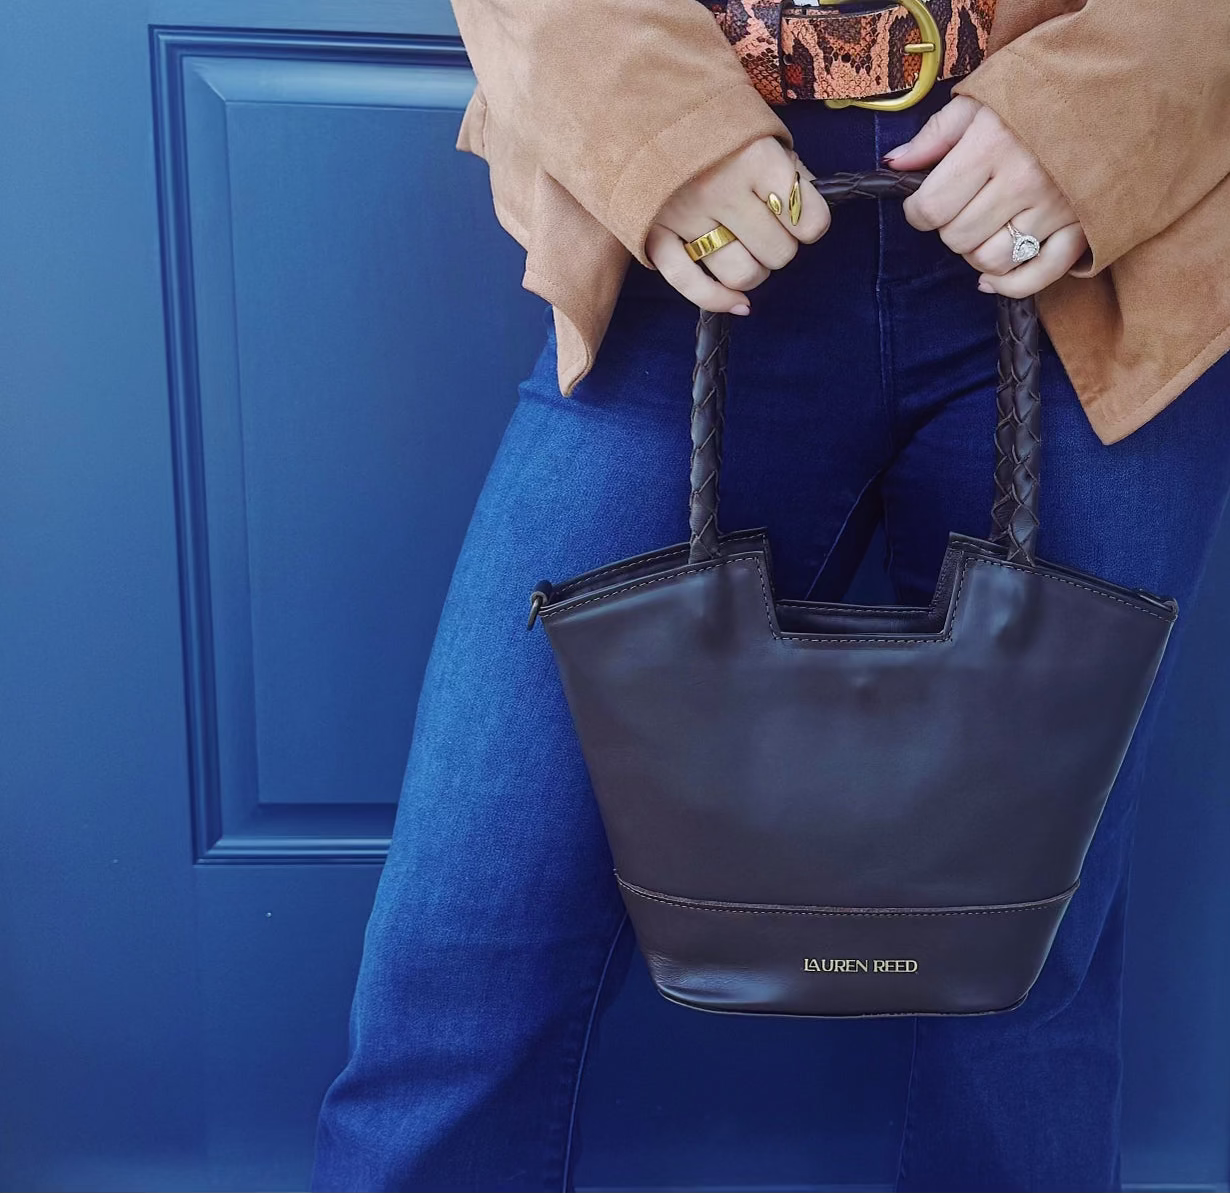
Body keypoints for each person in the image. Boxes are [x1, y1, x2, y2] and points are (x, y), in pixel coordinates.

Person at [313, 2, 1230, 1189]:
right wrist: (659, 130)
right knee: (471, 933)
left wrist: (1106, 109)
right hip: (686, 249)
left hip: (1078, 250)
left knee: (1026, 965)